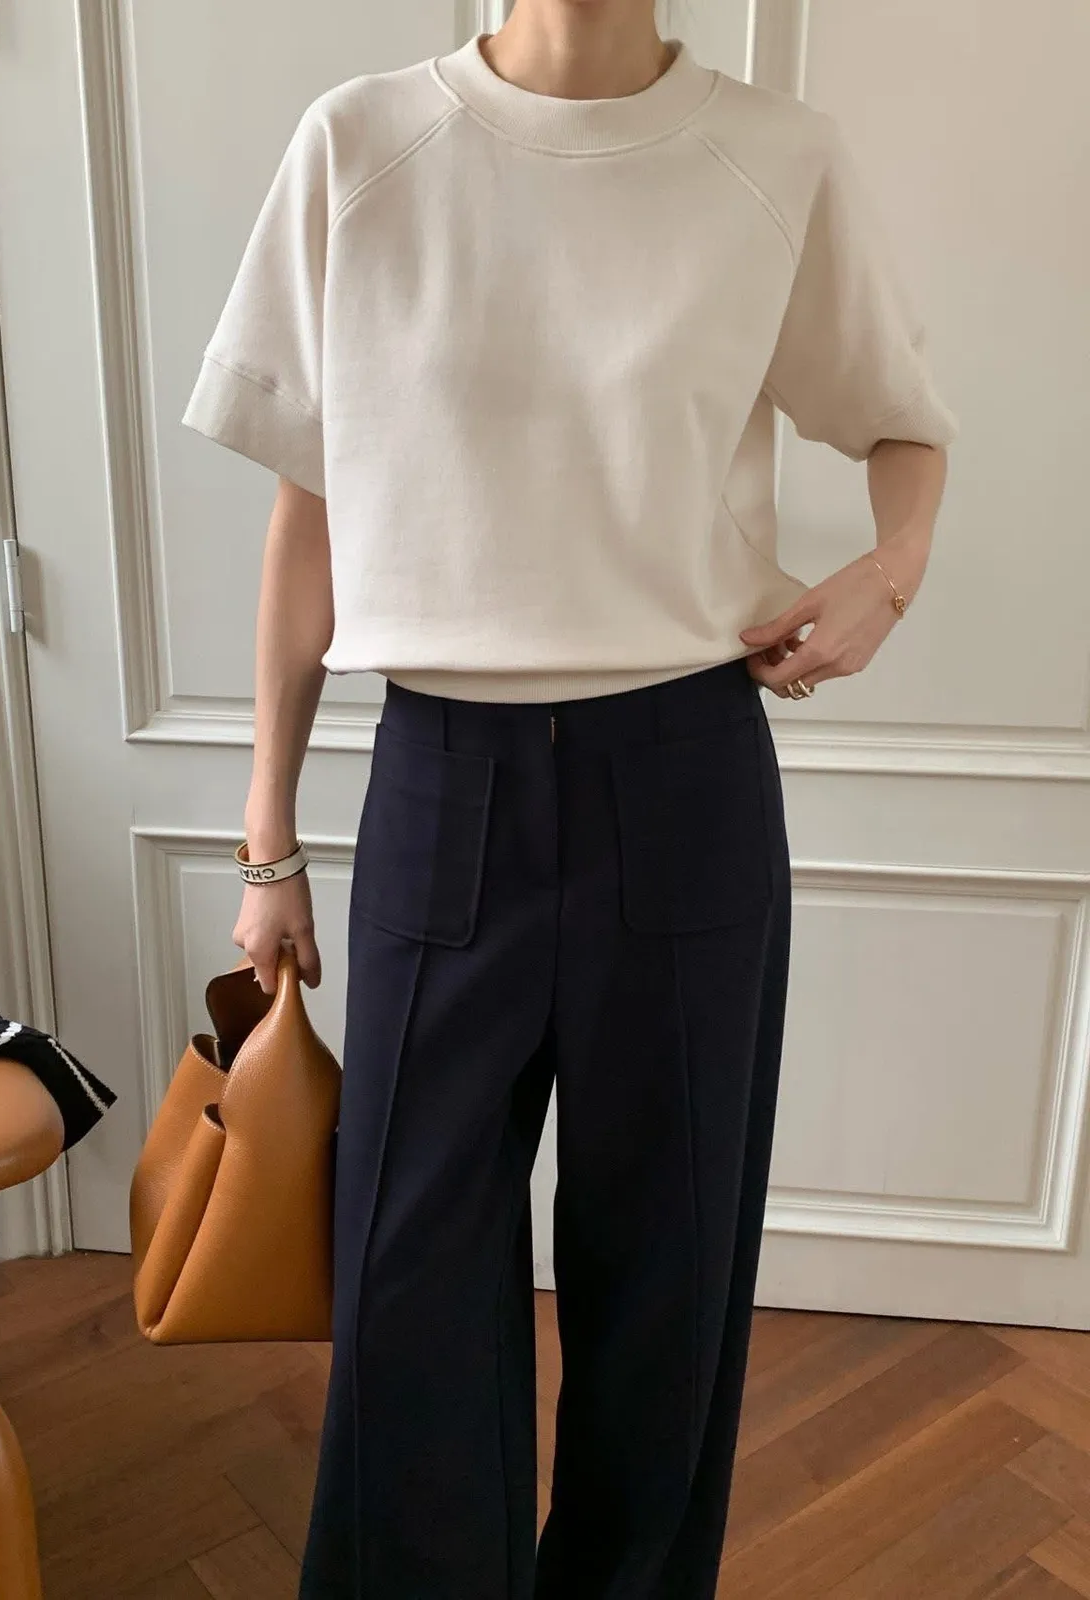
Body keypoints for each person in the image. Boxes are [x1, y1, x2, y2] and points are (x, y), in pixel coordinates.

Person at [182, 0, 957, 1593]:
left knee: (668, 1282)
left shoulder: (774, 159)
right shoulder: (361, 146)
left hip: (682, 778)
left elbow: (902, 421)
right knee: (408, 1281)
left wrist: (890, 574)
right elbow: (309, 523)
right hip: (439, 781)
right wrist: (268, 843)